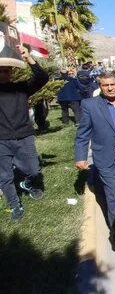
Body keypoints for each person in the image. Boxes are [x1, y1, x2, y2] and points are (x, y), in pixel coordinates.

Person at [75, 71, 115, 249]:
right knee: (112, 193)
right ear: (100, 86)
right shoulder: (90, 105)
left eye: (112, 84)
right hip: (105, 157)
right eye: (105, 85)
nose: (109, 88)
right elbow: (82, 133)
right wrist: (80, 156)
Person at [0, 45, 49, 221]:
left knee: (34, 170)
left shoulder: (21, 88)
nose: (4, 74)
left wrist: (28, 58)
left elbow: (42, 77)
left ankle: (26, 183)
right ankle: (15, 206)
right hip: (1, 140)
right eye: (1, 71)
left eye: (6, 71)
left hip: (24, 136)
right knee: (4, 176)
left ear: (11, 72)